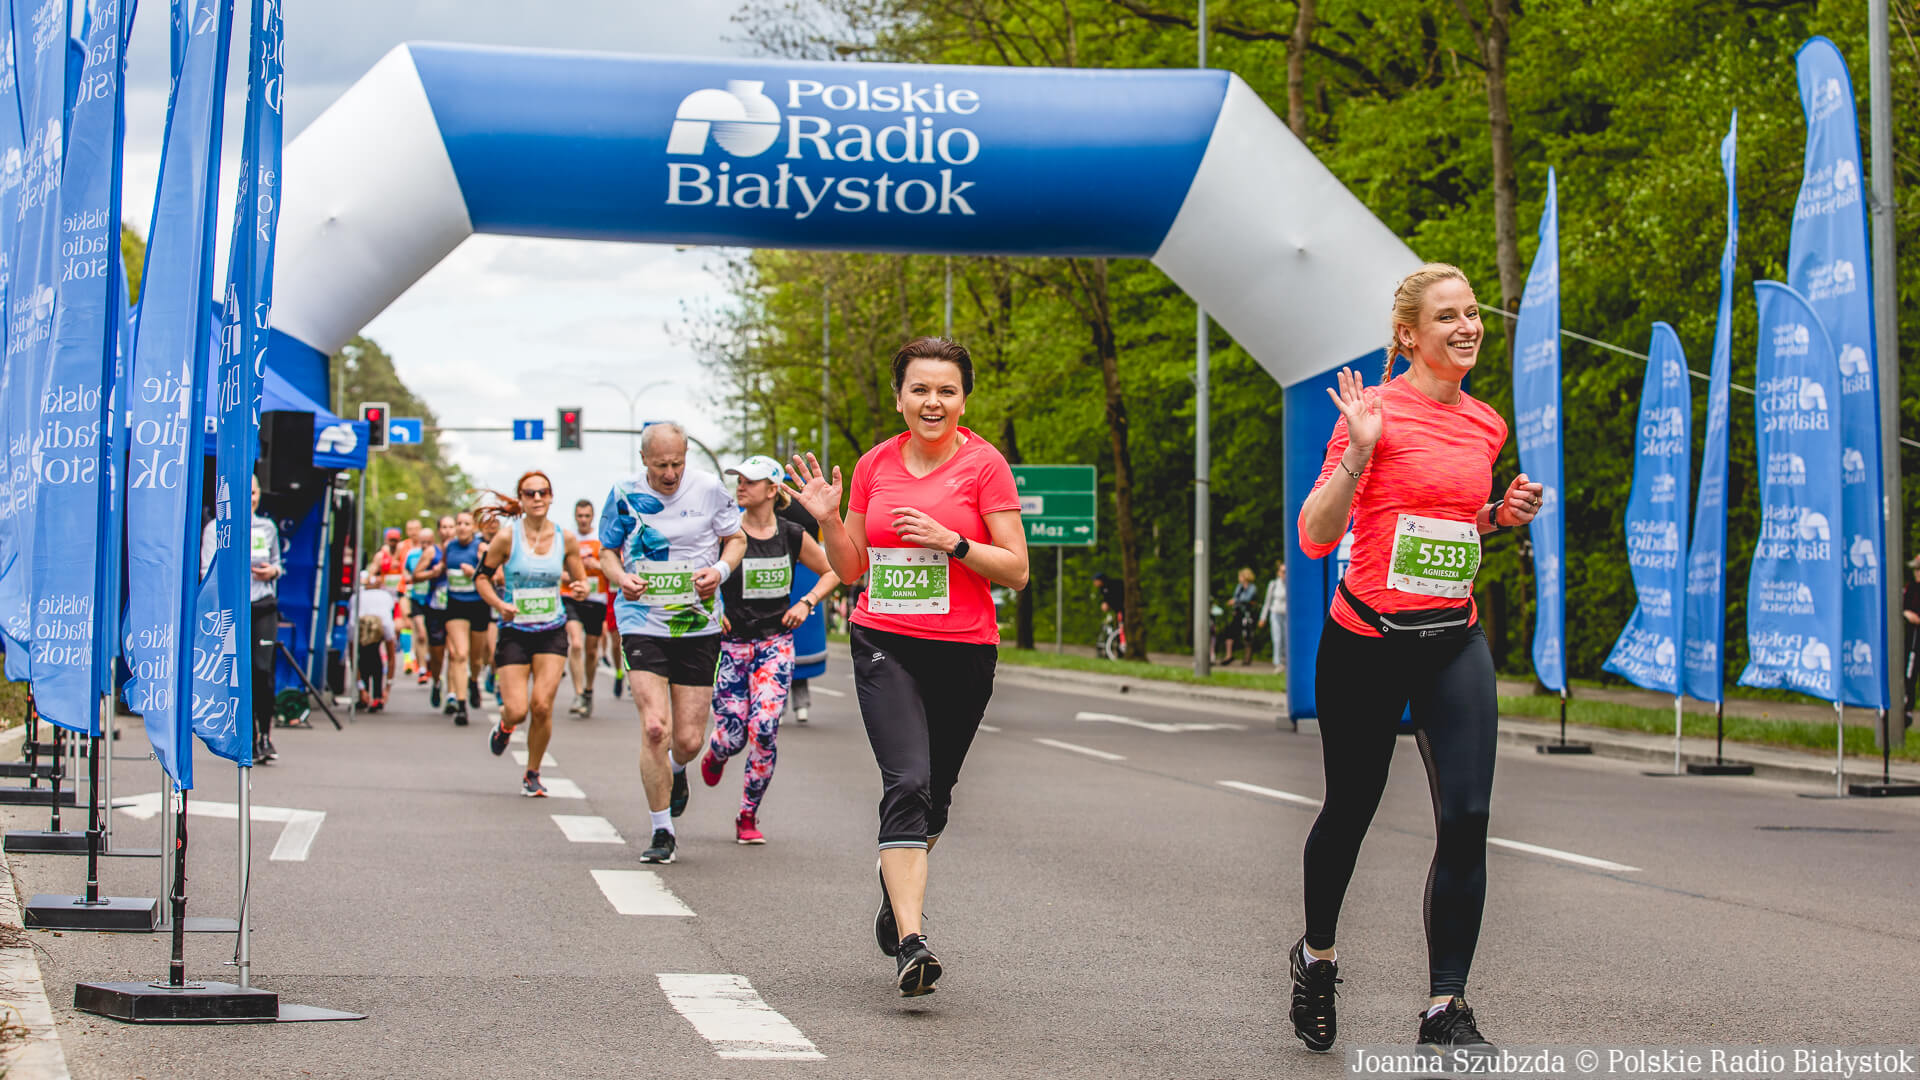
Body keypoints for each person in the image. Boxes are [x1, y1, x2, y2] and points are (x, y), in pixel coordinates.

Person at [1290, 263, 1543, 1053]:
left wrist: (1498, 513)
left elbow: (1448, 511)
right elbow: (1316, 534)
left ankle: (1445, 1007)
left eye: (1472, 314)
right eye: (1448, 317)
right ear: (1409, 336)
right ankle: (1317, 957)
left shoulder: (1486, 423)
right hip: (1366, 642)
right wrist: (1359, 454)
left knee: (1467, 818)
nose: (1467, 327)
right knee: (1351, 811)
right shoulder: (1372, 414)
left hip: (1452, 640)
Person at [786, 336, 1028, 998]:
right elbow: (852, 567)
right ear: (899, 398)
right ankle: (914, 944)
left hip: (965, 649)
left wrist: (954, 542)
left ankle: (896, 884)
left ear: (963, 399)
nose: (932, 401)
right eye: (920, 389)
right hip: (885, 641)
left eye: (946, 390)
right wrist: (832, 520)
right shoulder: (874, 466)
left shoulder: (985, 467)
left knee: (936, 799)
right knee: (908, 783)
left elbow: (1017, 570)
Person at [599, 422, 747, 864]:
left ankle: (678, 770)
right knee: (655, 728)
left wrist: (718, 573)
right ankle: (661, 830)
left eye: (677, 463)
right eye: (661, 465)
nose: (670, 474)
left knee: (686, 740)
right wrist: (620, 577)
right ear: (644, 460)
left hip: (697, 623)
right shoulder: (623, 493)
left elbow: (735, 538)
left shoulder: (708, 488)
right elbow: (607, 550)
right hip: (643, 619)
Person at [700, 456, 840, 843]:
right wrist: (715, 608)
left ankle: (748, 815)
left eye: (751, 481)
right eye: (739, 480)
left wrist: (806, 602)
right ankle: (717, 750)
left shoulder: (791, 534)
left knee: (763, 729)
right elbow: (697, 575)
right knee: (732, 736)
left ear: (772, 490)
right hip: (732, 647)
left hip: (774, 646)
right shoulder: (724, 534)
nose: (741, 486)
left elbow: (834, 570)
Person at [476, 472, 590, 797]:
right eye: (530, 493)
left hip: (552, 630)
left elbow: (579, 582)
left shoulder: (565, 538)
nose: (537, 498)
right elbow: (482, 578)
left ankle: (533, 772)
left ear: (551, 497)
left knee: (541, 706)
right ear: (522, 499)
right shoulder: (506, 539)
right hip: (515, 632)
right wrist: (500, 604)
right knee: (517, 709)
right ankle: (506, 726)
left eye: (543, 492)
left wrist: (580, 589)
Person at [201, 475, 284, 762]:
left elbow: (276, 564)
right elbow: (206, 572)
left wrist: (271, 572)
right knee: (239, 673)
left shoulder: (267, 527)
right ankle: (244, 736)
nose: (250, 498)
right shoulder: (216, 528)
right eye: (244, 492)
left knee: (263, 669)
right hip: (232, 609)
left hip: (263, 604)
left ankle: (265, 735)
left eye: (254, 492)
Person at [441, 510, 490, 725]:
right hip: (455, 604)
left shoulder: (481, 548)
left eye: (466, 523)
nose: (461, 527)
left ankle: (473, 681)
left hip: (478, 604)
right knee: (459, 654)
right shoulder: (449, 547)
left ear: (474, 527)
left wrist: (475, 572)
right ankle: (461, 706)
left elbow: (494, 574)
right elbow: (444, 569)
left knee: (476, 658)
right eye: (458, 523)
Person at [565, 499, 611, 718]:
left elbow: (613, 568)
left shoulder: (600, 540)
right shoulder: (568, 539)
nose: (583, 519)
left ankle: (589, 690)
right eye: (579, 515)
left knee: (591, 650)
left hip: (596, 598)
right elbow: (558, 568)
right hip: (571, 596)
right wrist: (570, 575)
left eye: (586, 516)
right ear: (575, 516)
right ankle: (578, 692)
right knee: (575, 643)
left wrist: (597, 565)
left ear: (592, 517)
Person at [405, 522, 445, 691]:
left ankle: (432, 667)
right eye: (422, 542)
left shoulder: (440, 553)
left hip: (433, 600)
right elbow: (408, 574)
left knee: (436, 641)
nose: (425, 545)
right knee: (420, 634)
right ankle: (422, 668)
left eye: (428, 542)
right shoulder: (412, 555)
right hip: (416, 598)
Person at [354, 572, 398, 711]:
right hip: (362, 624)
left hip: (378, 622)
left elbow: (391, 657)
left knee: (369, 654)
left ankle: (375, 694)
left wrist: (387, 689)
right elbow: (391, 658)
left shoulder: (385, 624)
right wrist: (361, 688)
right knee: (366, 655)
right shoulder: (355, 624)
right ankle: (370, 693)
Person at [1218, 568, 1258, 665]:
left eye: (1240, 576)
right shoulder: (1239, 587)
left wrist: (1236, 601)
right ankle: (1229, 655)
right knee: (1230, 632)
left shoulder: (1252, 587)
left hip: (1248, 613)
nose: (1239, 578)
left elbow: (1247, 598)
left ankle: (1247, 658)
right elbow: (1236, 597)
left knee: (1247, 634)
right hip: (1238, 612)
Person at [1259, 558, 1288, 674]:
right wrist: (1263, 617)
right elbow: (1267, 602)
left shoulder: (1289, 585)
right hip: (1275, 613)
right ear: (1278, 572)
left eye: (1286, 571)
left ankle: (1286, 662)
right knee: (1277, 638)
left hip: (1286, 615)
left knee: (1286, 638)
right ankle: (1278, 663)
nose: (1284, 574)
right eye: (1282, 571)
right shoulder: (1273, 584)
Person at [1903, 555, 1919, 719]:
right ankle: (1907, 706)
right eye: (1915, 569)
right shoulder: (1911, 588)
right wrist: (1906, 613)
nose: (1916, 573)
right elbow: (1904, 606)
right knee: (1909, 671)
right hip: (1912, 636)